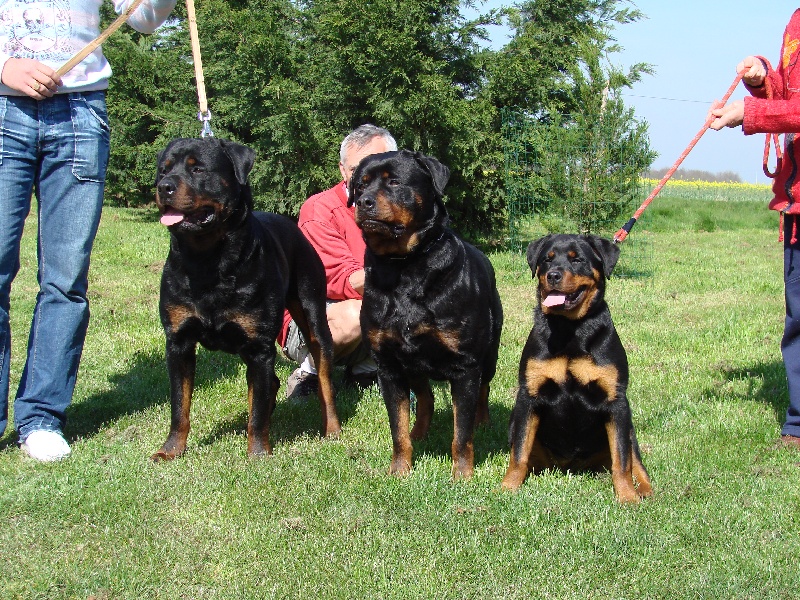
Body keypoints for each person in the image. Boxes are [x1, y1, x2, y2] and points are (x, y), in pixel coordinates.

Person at [0, 0, 176, 461]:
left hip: (80, 116)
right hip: (3, 111)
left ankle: (40, 417)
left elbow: (143, 17)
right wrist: (3, 66)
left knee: (65, 279)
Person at [709, 7, 800, 449]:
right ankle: (799, 423)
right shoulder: (796, 21)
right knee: (799, 316)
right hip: (798, 201)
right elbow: (788, 91)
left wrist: (747, 113)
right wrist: (763, 77)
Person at [279, 124, 398, 398]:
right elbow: (342, 281)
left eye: (378, 165)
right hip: (313, 323)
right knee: (361, 310)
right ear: (343, 170)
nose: (368, 176)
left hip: (373, 312)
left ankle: (365, 370)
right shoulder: (319, 210)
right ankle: (309, 373)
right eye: (358, 170)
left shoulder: (400, 208)